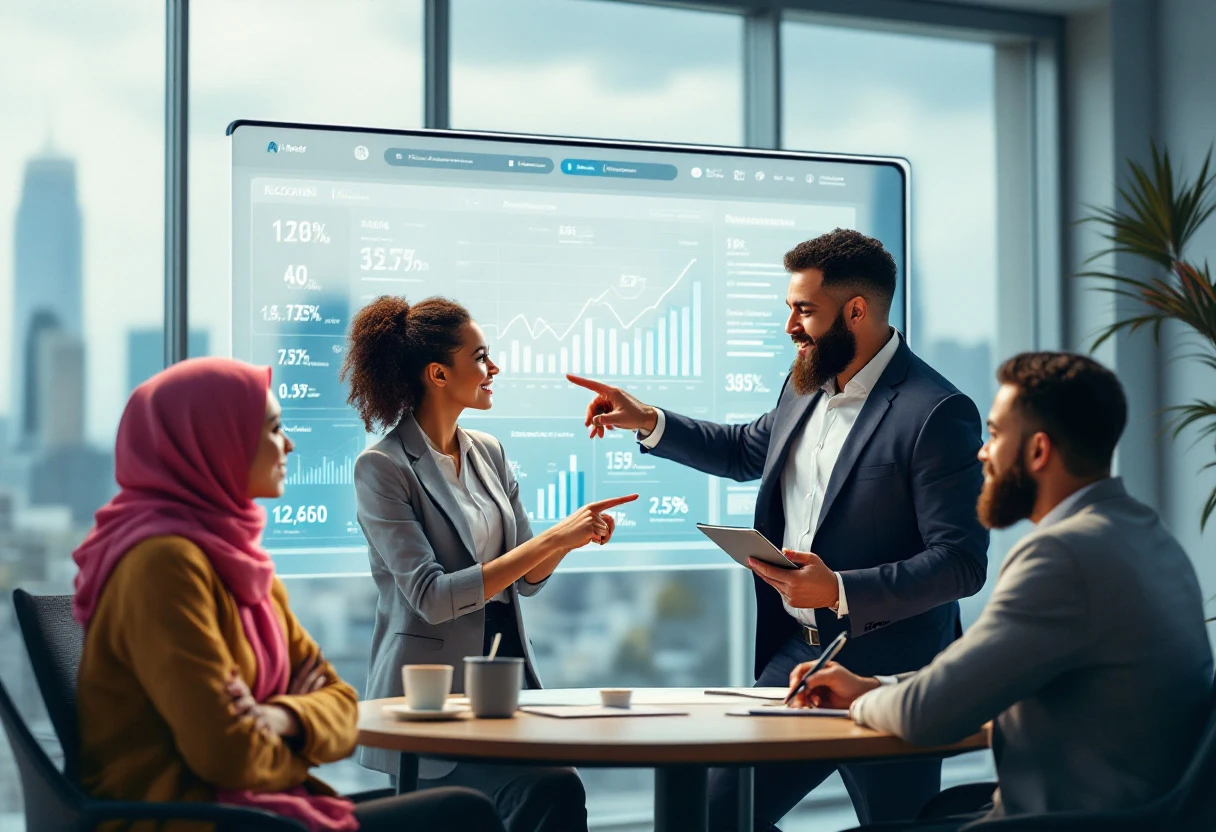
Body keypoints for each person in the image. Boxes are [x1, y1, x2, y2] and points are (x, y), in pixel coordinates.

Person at [568, 228, 990, 829]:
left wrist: (839, 589)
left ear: (856, 311)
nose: (790, 325)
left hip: (891, 672)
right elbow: (746, 449)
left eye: (804, 310)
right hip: (797, 658)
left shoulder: (936, 411)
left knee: (899, 826)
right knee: (715, 815)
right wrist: (649, 420)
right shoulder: (804, 382)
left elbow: (961, 563)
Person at [73, 357, 506, 832]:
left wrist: (281, 719)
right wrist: (300, 736)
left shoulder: (242, 566)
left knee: (471, 809)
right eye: (274, 428)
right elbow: (229, 756)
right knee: (461, 814)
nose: (290, 444)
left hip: (260, 810)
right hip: (193, 818)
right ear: (216, 440)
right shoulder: (163, 566)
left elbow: (342, 707)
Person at [789, 352, 1215, 830]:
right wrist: (873, 687)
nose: (982, 453)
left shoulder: (1062, 556)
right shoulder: (1146, 535)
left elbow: (928, 715)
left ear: (1038, 451)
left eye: (994, 435)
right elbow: (975, 681)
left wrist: (860, 704)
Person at [344, 295, 635, 832]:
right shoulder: (382, 468)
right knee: (550, 789)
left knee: (556, 787)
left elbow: (525, 581)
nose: (493, 368)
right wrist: (550, 539)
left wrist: (566, 542)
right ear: (438, 374)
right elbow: (431, 598)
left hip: (504, 680)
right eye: (480, 357)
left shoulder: (489, 451)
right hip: (430, 700)